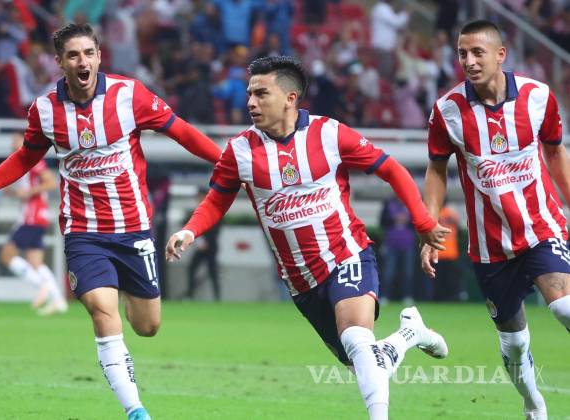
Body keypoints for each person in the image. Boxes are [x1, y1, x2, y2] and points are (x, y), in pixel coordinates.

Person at [166, 56, 450, 419]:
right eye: (250, 93)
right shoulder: (240, 151)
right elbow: (217, 199)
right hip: (300, 280)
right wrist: (190, 229)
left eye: (261, 94)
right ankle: (409, 335)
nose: (250, 102)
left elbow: (392, 169)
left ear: (290, 98)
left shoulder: (329, 134)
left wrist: (423, 221)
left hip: (346, 254)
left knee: (357, 339)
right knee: (362, 362)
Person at [0, 23, 221, 420]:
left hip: (133, 227)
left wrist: (226, 163)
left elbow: (181, 131)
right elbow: (26, 157)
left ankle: (126, 295)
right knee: (102, 308)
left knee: (147, 326)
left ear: (98, 56)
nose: (82, 61)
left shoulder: (129, 95)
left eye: (88, 53)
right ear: (60, 62)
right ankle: (135, 409)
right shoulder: (45, 110)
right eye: (73, 55)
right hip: (83, 231)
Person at [421, 20, 570, 420]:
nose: (469, 61)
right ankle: (533, 405)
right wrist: (428, 225)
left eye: (477, 53)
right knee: (515, 344)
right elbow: (437, 169)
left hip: (541, 226)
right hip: (490, 246)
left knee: (564, 305)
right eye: (462, 54)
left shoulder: (538, 97)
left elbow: (555, 152)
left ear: (500, 55)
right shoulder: (447, 111)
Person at [0, 131, 68, 315]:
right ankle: (59, 301)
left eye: (16, 140)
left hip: (32, 217)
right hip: (36, 217)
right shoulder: (21, 164)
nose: (13, 144)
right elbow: (23, 191)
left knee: (6, 255)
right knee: (35, 262)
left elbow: (50, 182)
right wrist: (13, 193)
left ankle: (42, 285)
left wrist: (28, 192)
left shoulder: (33, 161)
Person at [378, 196, 417, 304]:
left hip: (408, 244)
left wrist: (407, 220)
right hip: (391, 244)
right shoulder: (388, 204)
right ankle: (385, 296)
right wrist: (394, 219)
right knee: (388, 272)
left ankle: (407, 296)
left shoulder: (411, 203)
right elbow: (382, 222)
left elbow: (417, 223)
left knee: (408, 272)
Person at [185, 187, 221, 300]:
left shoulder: (213, 209)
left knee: (213, 271)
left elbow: (215, 229)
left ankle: (217, 297)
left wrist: (207, 242)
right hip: (200, 247)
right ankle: (190, 295)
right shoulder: (195, 211)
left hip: (211, 246)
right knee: (192, 268)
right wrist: (199, 242)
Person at [431, 204, 464, 301]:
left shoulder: (434, 214)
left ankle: (439, 298)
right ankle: (452, 297)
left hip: (439, 253)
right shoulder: (452, 214)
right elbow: (460, 232)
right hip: (451, 253)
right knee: (451, 279)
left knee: (439, 279)